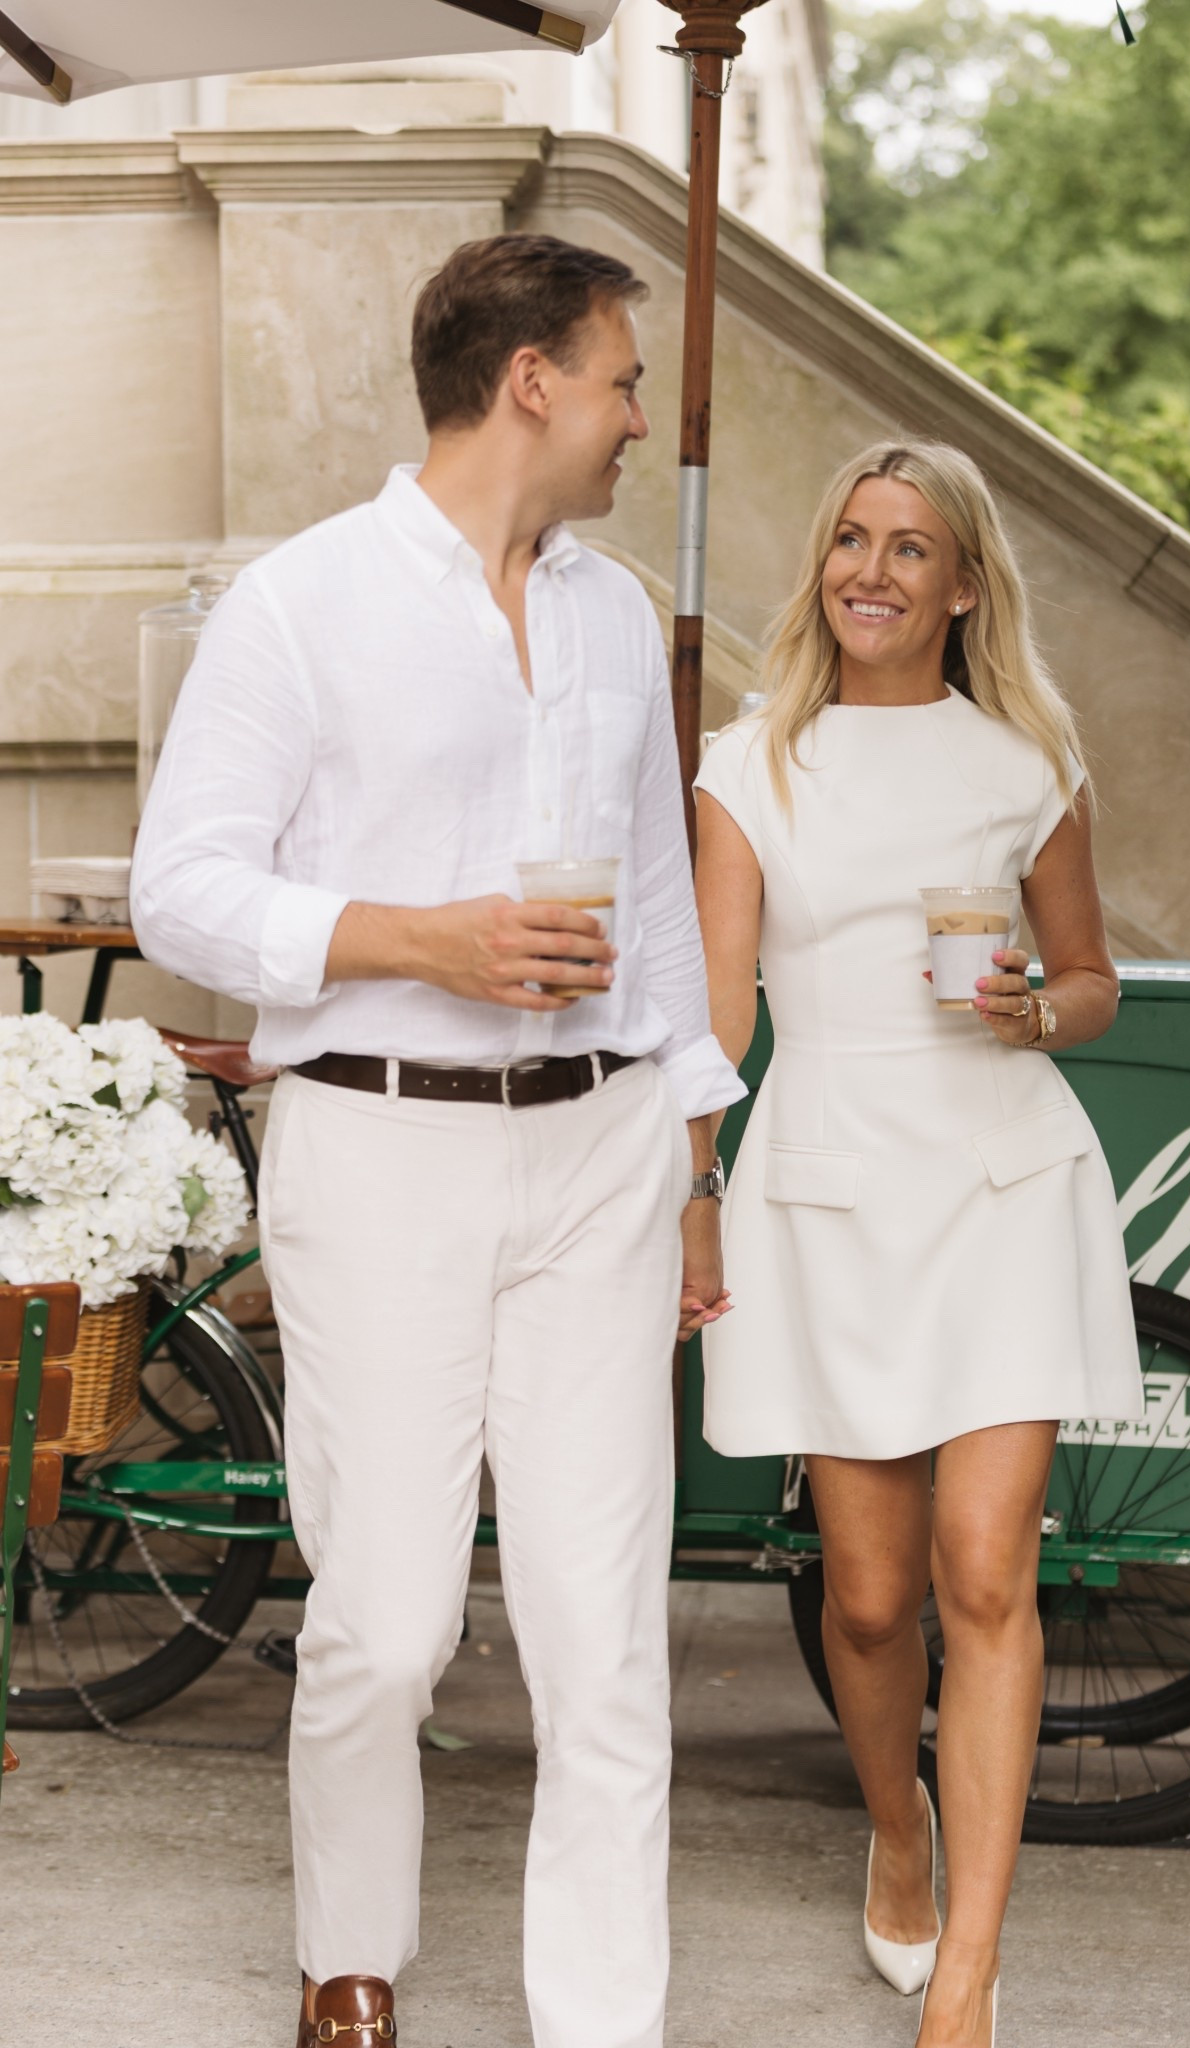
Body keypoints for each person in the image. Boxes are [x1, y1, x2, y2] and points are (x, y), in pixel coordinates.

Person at [131, 232, 742, 2048]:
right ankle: (351, 1957)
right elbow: (186, 888)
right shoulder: (300, 603)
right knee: (386, 1624)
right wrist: (424, 939)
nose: (640, 416)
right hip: (380, 1149)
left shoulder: (621, 616)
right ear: (532, 378)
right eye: (624, 378)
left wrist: (694, 1159)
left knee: (602, 1630)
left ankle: (601, 2019)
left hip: (604, 1154)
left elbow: (650, 911)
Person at [691, 441, 1143, 2047]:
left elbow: (1090, 979)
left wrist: (1042, 1010)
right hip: (822, 1180)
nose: (870, 573)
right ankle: (900, 1826)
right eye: (849, 542)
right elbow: (720, 1008)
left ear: (963, 585)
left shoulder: (1025, 758)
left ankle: (968, 1967)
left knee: (981, 1573)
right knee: (870, 1599)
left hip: (1000, 1181)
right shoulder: (751, 763)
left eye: (909, 549)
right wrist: (686, 1182)